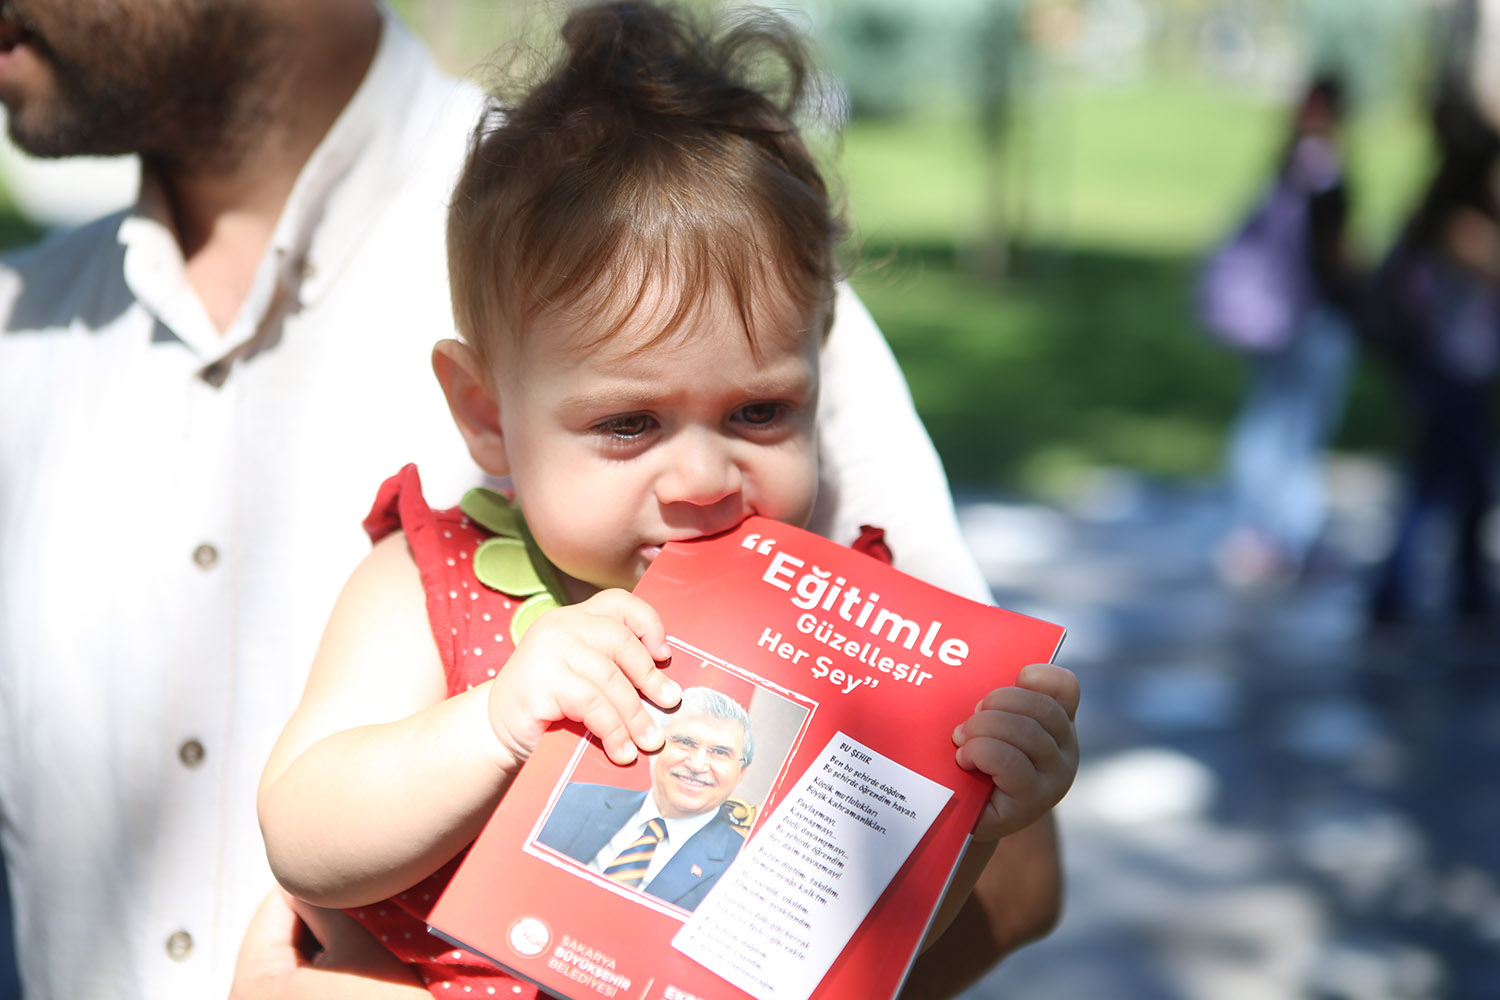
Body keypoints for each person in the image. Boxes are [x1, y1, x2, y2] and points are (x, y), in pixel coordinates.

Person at [0, 2, 1068, 999]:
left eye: (761, 414)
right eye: (627, 425)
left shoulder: (825, 617)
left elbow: (848, 946)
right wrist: (497, 722)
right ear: (485, 415)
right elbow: (304, 821)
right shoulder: (439, 579)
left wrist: (971, 817)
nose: (701, 479)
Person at [1213, 74, 1362, 587]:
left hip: (1278, 316)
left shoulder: (1288, 164)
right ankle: (1284, 536)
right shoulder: (1321, 169)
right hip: (1308, 316)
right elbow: (1331, 252)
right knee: (1292, 431)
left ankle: (1262, 532)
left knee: (1268, 424)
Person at [1366, 91, 1500, 626]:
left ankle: (1461, 591)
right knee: (1447, 487)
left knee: (1453, 486)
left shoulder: (1443, 213)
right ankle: (1395, 596)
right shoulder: (1459, 225)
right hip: (1447, 372)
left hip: (1459, 370)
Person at [535, 687, 755, 911]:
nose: (697, 766)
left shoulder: (744, 870)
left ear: (742, 772)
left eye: (720, 752)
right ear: (653, 745)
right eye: (685, 742)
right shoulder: (569, 799)